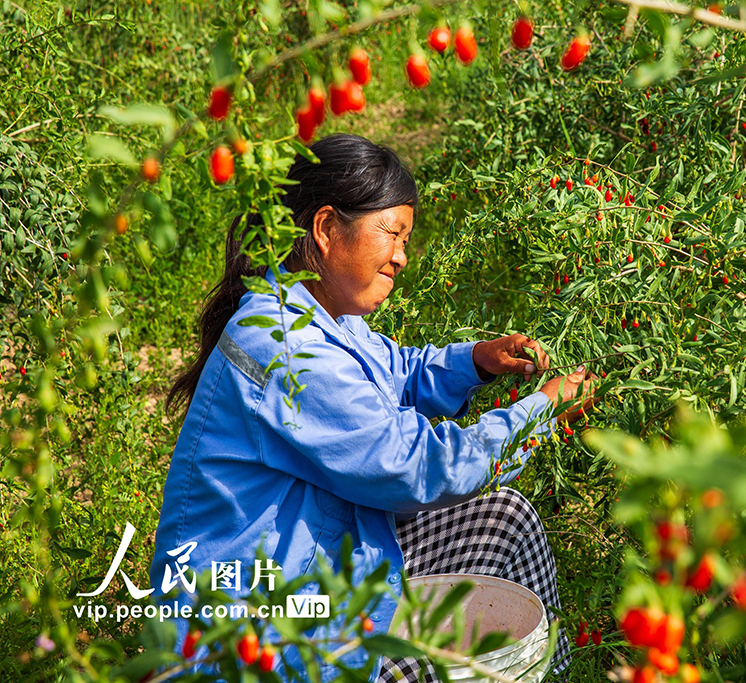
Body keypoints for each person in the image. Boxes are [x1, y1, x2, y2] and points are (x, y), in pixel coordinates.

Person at [152, 133, 600, 682]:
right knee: (450, 654)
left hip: (314, 570)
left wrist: (477, 362)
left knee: (505, 520)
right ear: (325, 229)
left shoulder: (322, 315)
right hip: (264, 645)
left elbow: (395, 370)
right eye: (393, 233)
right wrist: (538, 412)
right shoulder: (285, 348)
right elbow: (415, 467)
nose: (402, 257)